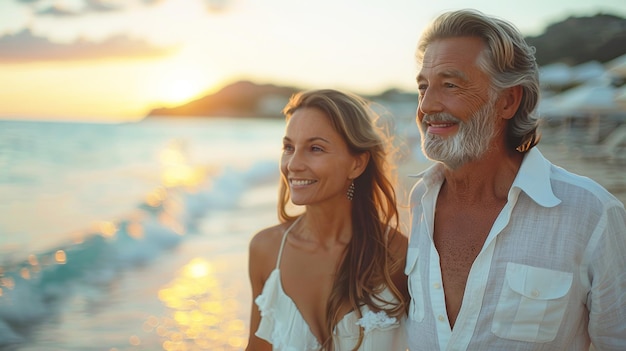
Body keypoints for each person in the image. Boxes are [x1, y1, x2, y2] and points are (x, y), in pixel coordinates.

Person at [405, 9, 626, 351]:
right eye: (423, 87)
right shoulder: (421, 199)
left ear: (508, 100)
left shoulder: (592, 213)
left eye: (450, 84)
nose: (427, 105)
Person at [246, 89, 409, 350]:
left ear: (357, 164)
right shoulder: (266, 249)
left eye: (315, 148)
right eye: (289, 147)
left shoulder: (397, 255)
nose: (294, 164)